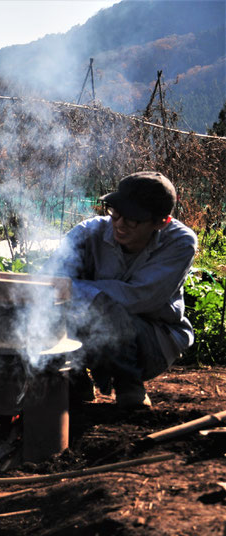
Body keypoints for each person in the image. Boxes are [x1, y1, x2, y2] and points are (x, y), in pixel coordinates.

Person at [48, 171, 198, 409]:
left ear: (161, 222)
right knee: (46, 311)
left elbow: (140, 298)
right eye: (115, 214)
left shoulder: (180, 242)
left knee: (105, 307)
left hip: (152, 338)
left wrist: (78, 290)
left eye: (132, 220)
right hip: (92, 329)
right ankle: (74, 379)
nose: (119, 224)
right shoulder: (88, 232)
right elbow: (51, 283)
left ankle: (130, 385)